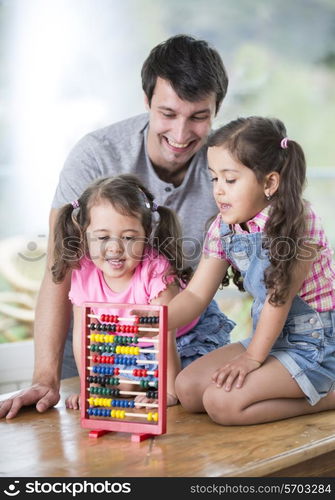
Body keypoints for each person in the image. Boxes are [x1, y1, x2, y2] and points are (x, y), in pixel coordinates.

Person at [0, 34, 231, 419]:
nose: (180, 134)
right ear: (147, 101)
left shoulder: (227, 170)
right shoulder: (96, 155)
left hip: (182, 341)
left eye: (198, 117)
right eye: (168, 114)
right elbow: (60, 271)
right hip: (96, 347)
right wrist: (46, 378)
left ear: (216, 110)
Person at [166, 116, 335, 425]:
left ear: (269, 182)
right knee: (188, 390)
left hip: (315, 343)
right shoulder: (224, 226)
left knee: (222, 404)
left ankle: (329, 394)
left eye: (230, 180)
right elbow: (195, 294)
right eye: (214, 178)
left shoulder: (299, 223)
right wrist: (154, 319)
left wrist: (252, 358)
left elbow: (277, 300)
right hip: (268, 336)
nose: (218, 190)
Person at [52, 174, 233, 408]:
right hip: (132, 346)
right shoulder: (82, 271)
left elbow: (163, 335)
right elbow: (82, 337)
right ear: (84, 233)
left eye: (128, 237)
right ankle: (143, 383)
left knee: (191, 386)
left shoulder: (157, 272)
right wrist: (90, 388)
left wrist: (168, 392)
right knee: (119, 386)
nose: (115, 248)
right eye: (103, 237)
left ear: (146, 234)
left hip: (182, 340)